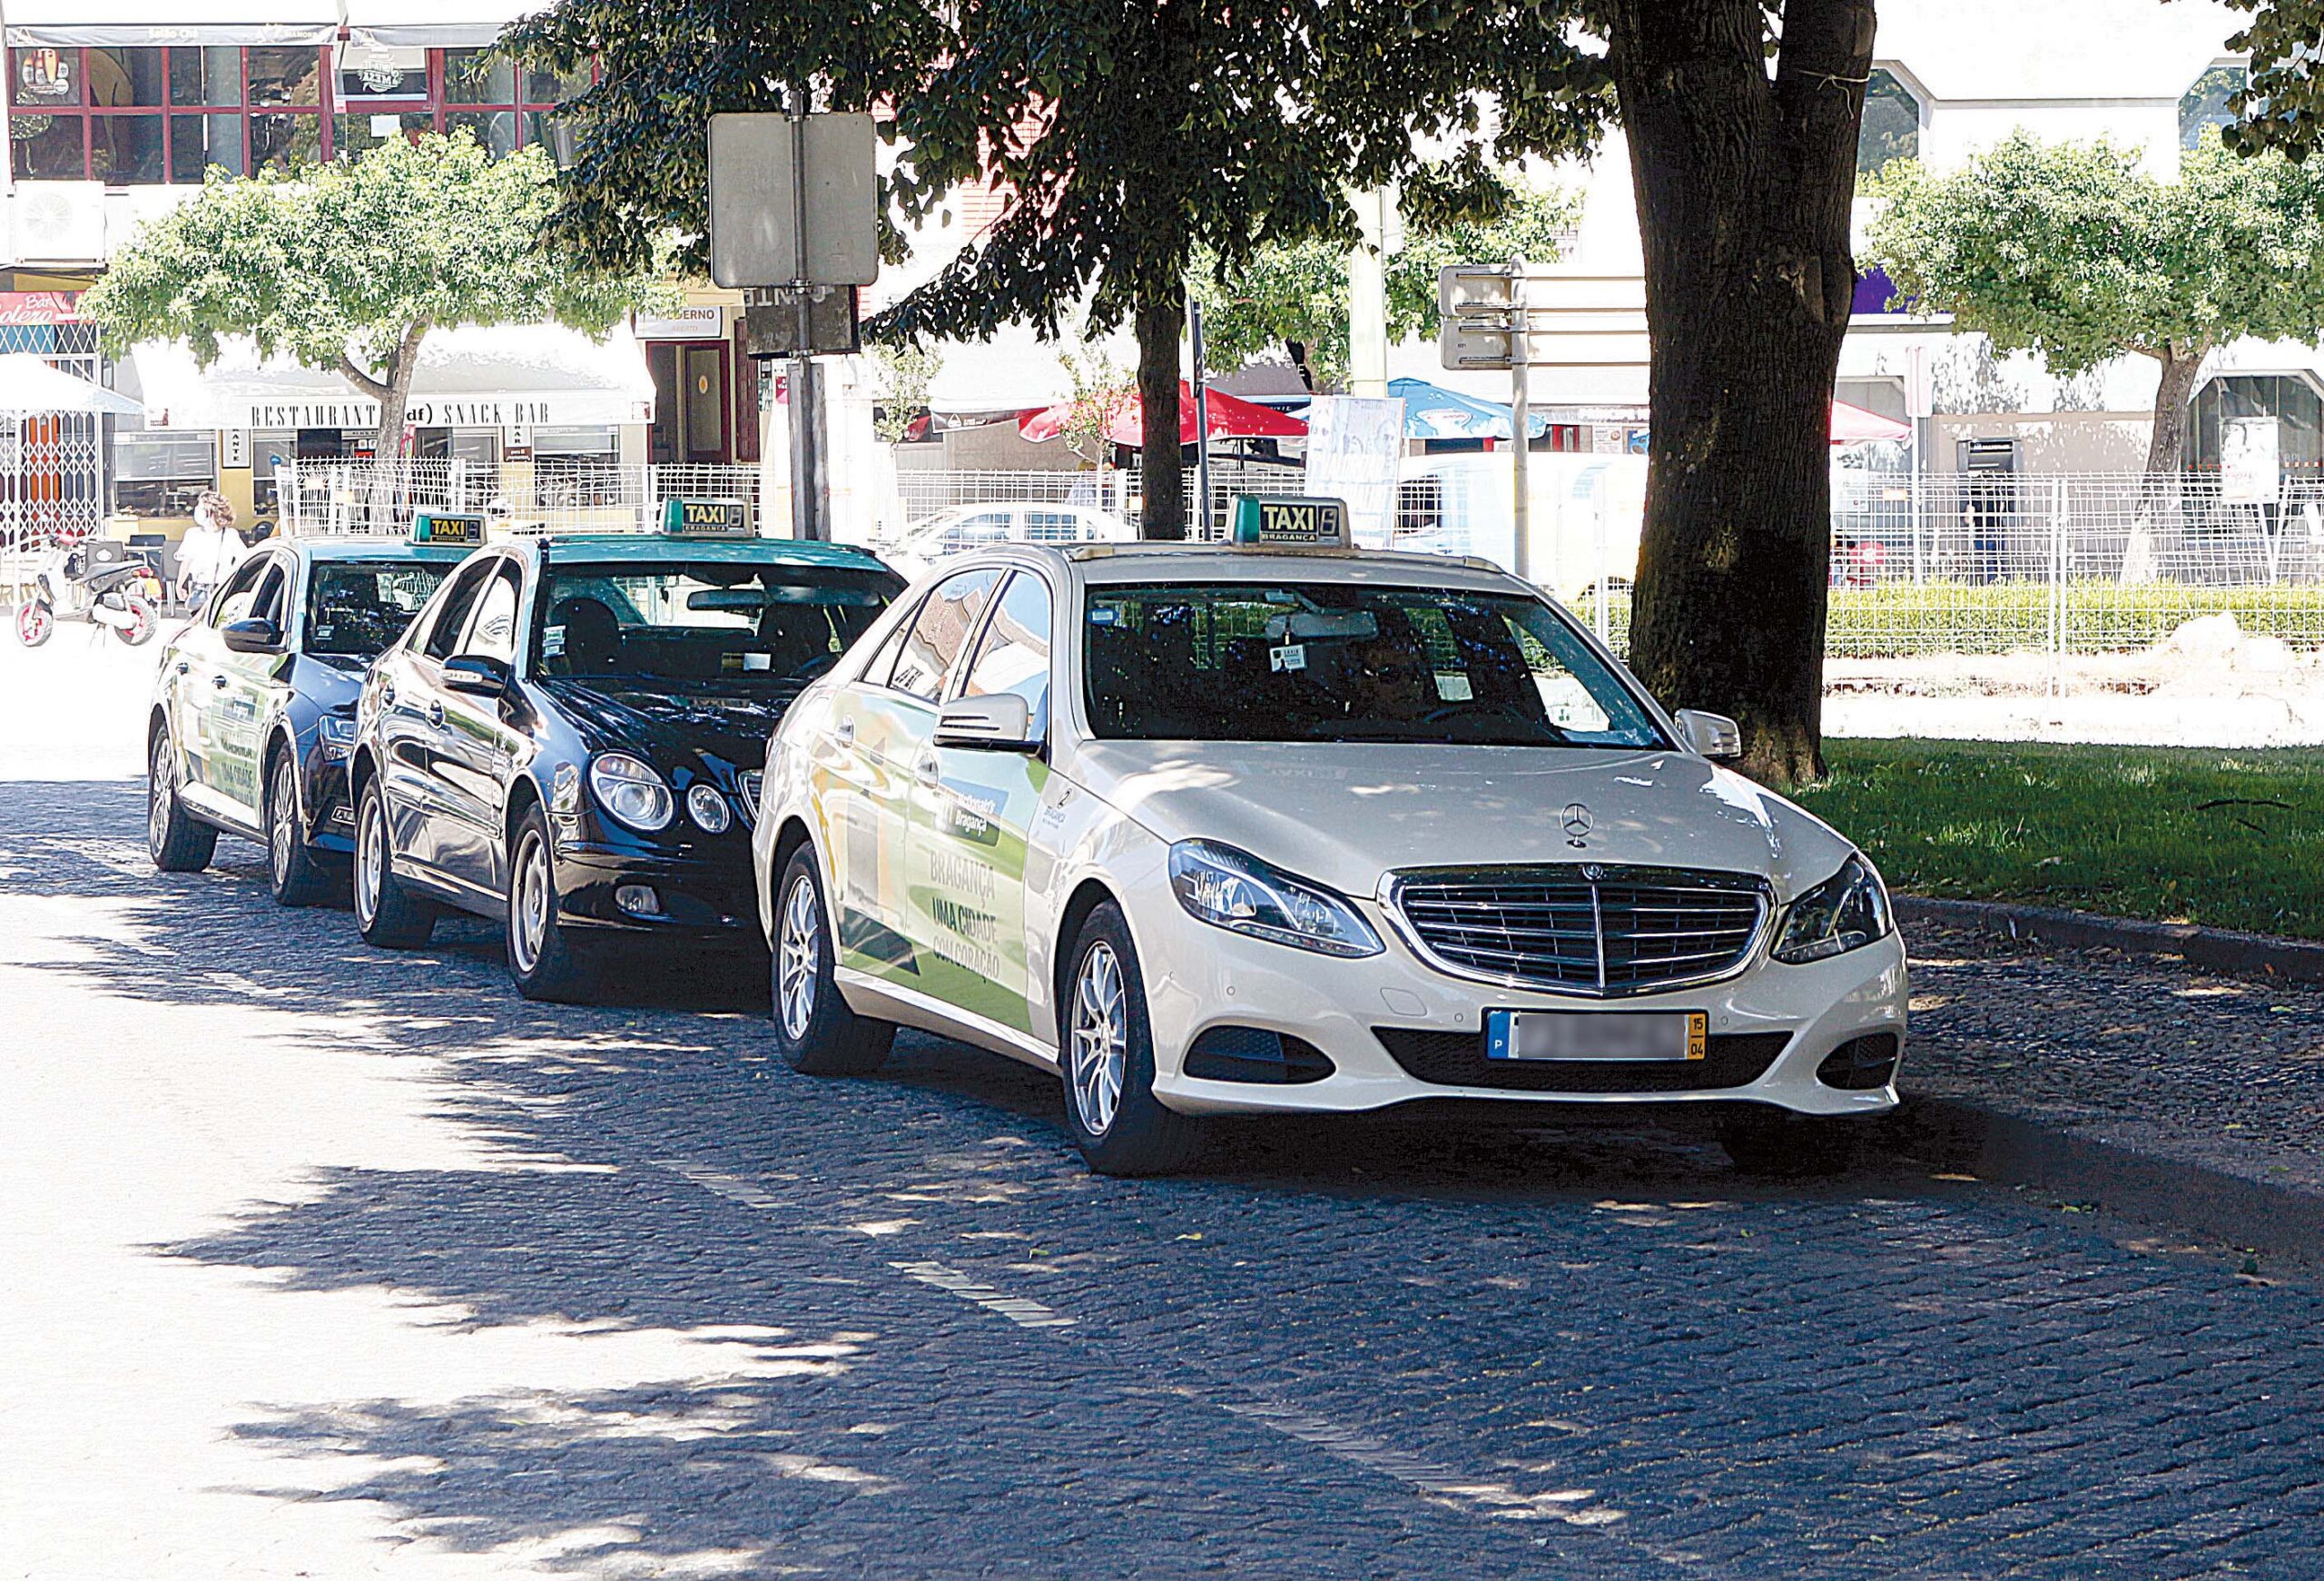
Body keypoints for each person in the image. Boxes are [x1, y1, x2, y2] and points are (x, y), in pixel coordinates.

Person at [174, 492, 244, 616]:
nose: (197, 511)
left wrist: (179, 585)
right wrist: (179, 585)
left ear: (210, 512)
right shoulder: (193, 534)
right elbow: (186, 562)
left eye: (200, 507)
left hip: (219, 589)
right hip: (205, 589)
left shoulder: (229, 535)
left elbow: (243, 560)